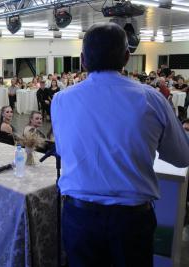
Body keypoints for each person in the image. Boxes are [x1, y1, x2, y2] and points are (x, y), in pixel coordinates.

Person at [51, 22, 189, 267]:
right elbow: (182, 157)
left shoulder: (61, 100)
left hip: (79, 219)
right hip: (131, 222)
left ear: (83, 60)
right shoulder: (152, 99)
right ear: (127, 57)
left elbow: (63, 150)